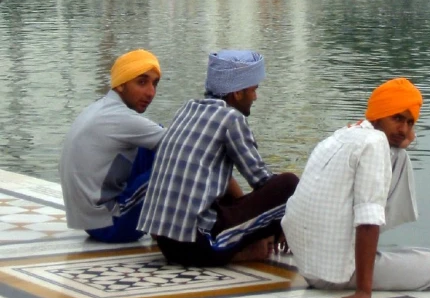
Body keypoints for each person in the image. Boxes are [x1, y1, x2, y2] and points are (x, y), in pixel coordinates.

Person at [282, 78, 430, 298]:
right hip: (333, 276)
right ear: (380, 114)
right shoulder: (375, 144)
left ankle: (362, 257)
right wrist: (363, 292)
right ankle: (361, 273)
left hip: (308, 262)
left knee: (400, 156)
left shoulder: (345, 134)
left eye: (410, 122)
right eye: (397, 118)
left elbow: (400, 142)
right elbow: (368, 220)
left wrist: (402, 133)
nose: (404, 130)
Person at [138, 50, 298, 267]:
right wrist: (285, 224)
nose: (255, 97)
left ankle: (249, 241)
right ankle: (245, 250)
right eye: (253, 90)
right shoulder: (231, 119)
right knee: (288, 186)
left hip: (167, 245)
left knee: (225, 192)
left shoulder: (187, 109)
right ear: (238, 93)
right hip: (199, 246)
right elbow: (262, 181)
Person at [59, 49, 165, 243]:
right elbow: (188, 150)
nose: (151, 92)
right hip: (110, 225)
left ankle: (161, 226)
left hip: (92, 223)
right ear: (121, 85)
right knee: (178, 165)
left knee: (157, 140)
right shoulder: (121, 118)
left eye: (154, 84)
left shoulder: (100, 107)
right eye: (141, 82)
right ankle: (194, 227)